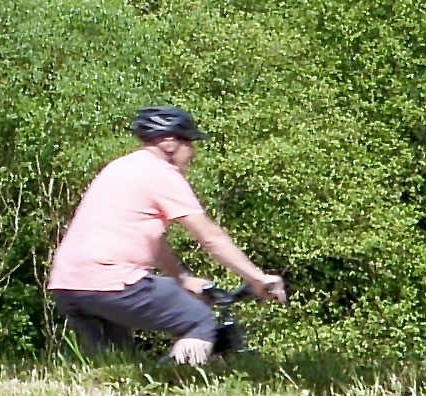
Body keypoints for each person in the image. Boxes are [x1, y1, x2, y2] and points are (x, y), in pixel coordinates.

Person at [47, 106, 286, 367]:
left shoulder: (120, 167)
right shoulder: (160, 172)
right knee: (198, 320)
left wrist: (182, 278)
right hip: (111, 281)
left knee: (117, 367)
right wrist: (257, 278)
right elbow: (209, 235)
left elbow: (154, 240)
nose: (192, 152)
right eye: (189, 143)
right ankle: (174, 384)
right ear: (170, 142)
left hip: (68, 286)